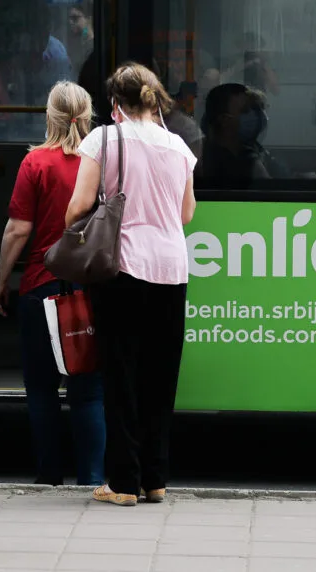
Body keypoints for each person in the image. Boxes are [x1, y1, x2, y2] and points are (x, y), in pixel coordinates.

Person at [66, 62, 197, 506]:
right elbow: (186, 214)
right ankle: (155, 479)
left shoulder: (103, 139)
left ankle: (123, 482)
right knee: (161, 375)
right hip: (172, 268)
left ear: (114, 103)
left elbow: (79, 205)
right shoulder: (178, 145)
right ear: (154, 100)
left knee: (121, 374)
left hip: (123, 266)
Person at [0, 81, 105, 487]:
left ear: (49, 116)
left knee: (41, 389)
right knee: (88, 391)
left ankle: (49, 474)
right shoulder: (101, 162)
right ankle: (92, 478)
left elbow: (17, 230)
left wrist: (1, 281)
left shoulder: (35, 163)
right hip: (89, 288)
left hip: (41, 287)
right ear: (88, 116)